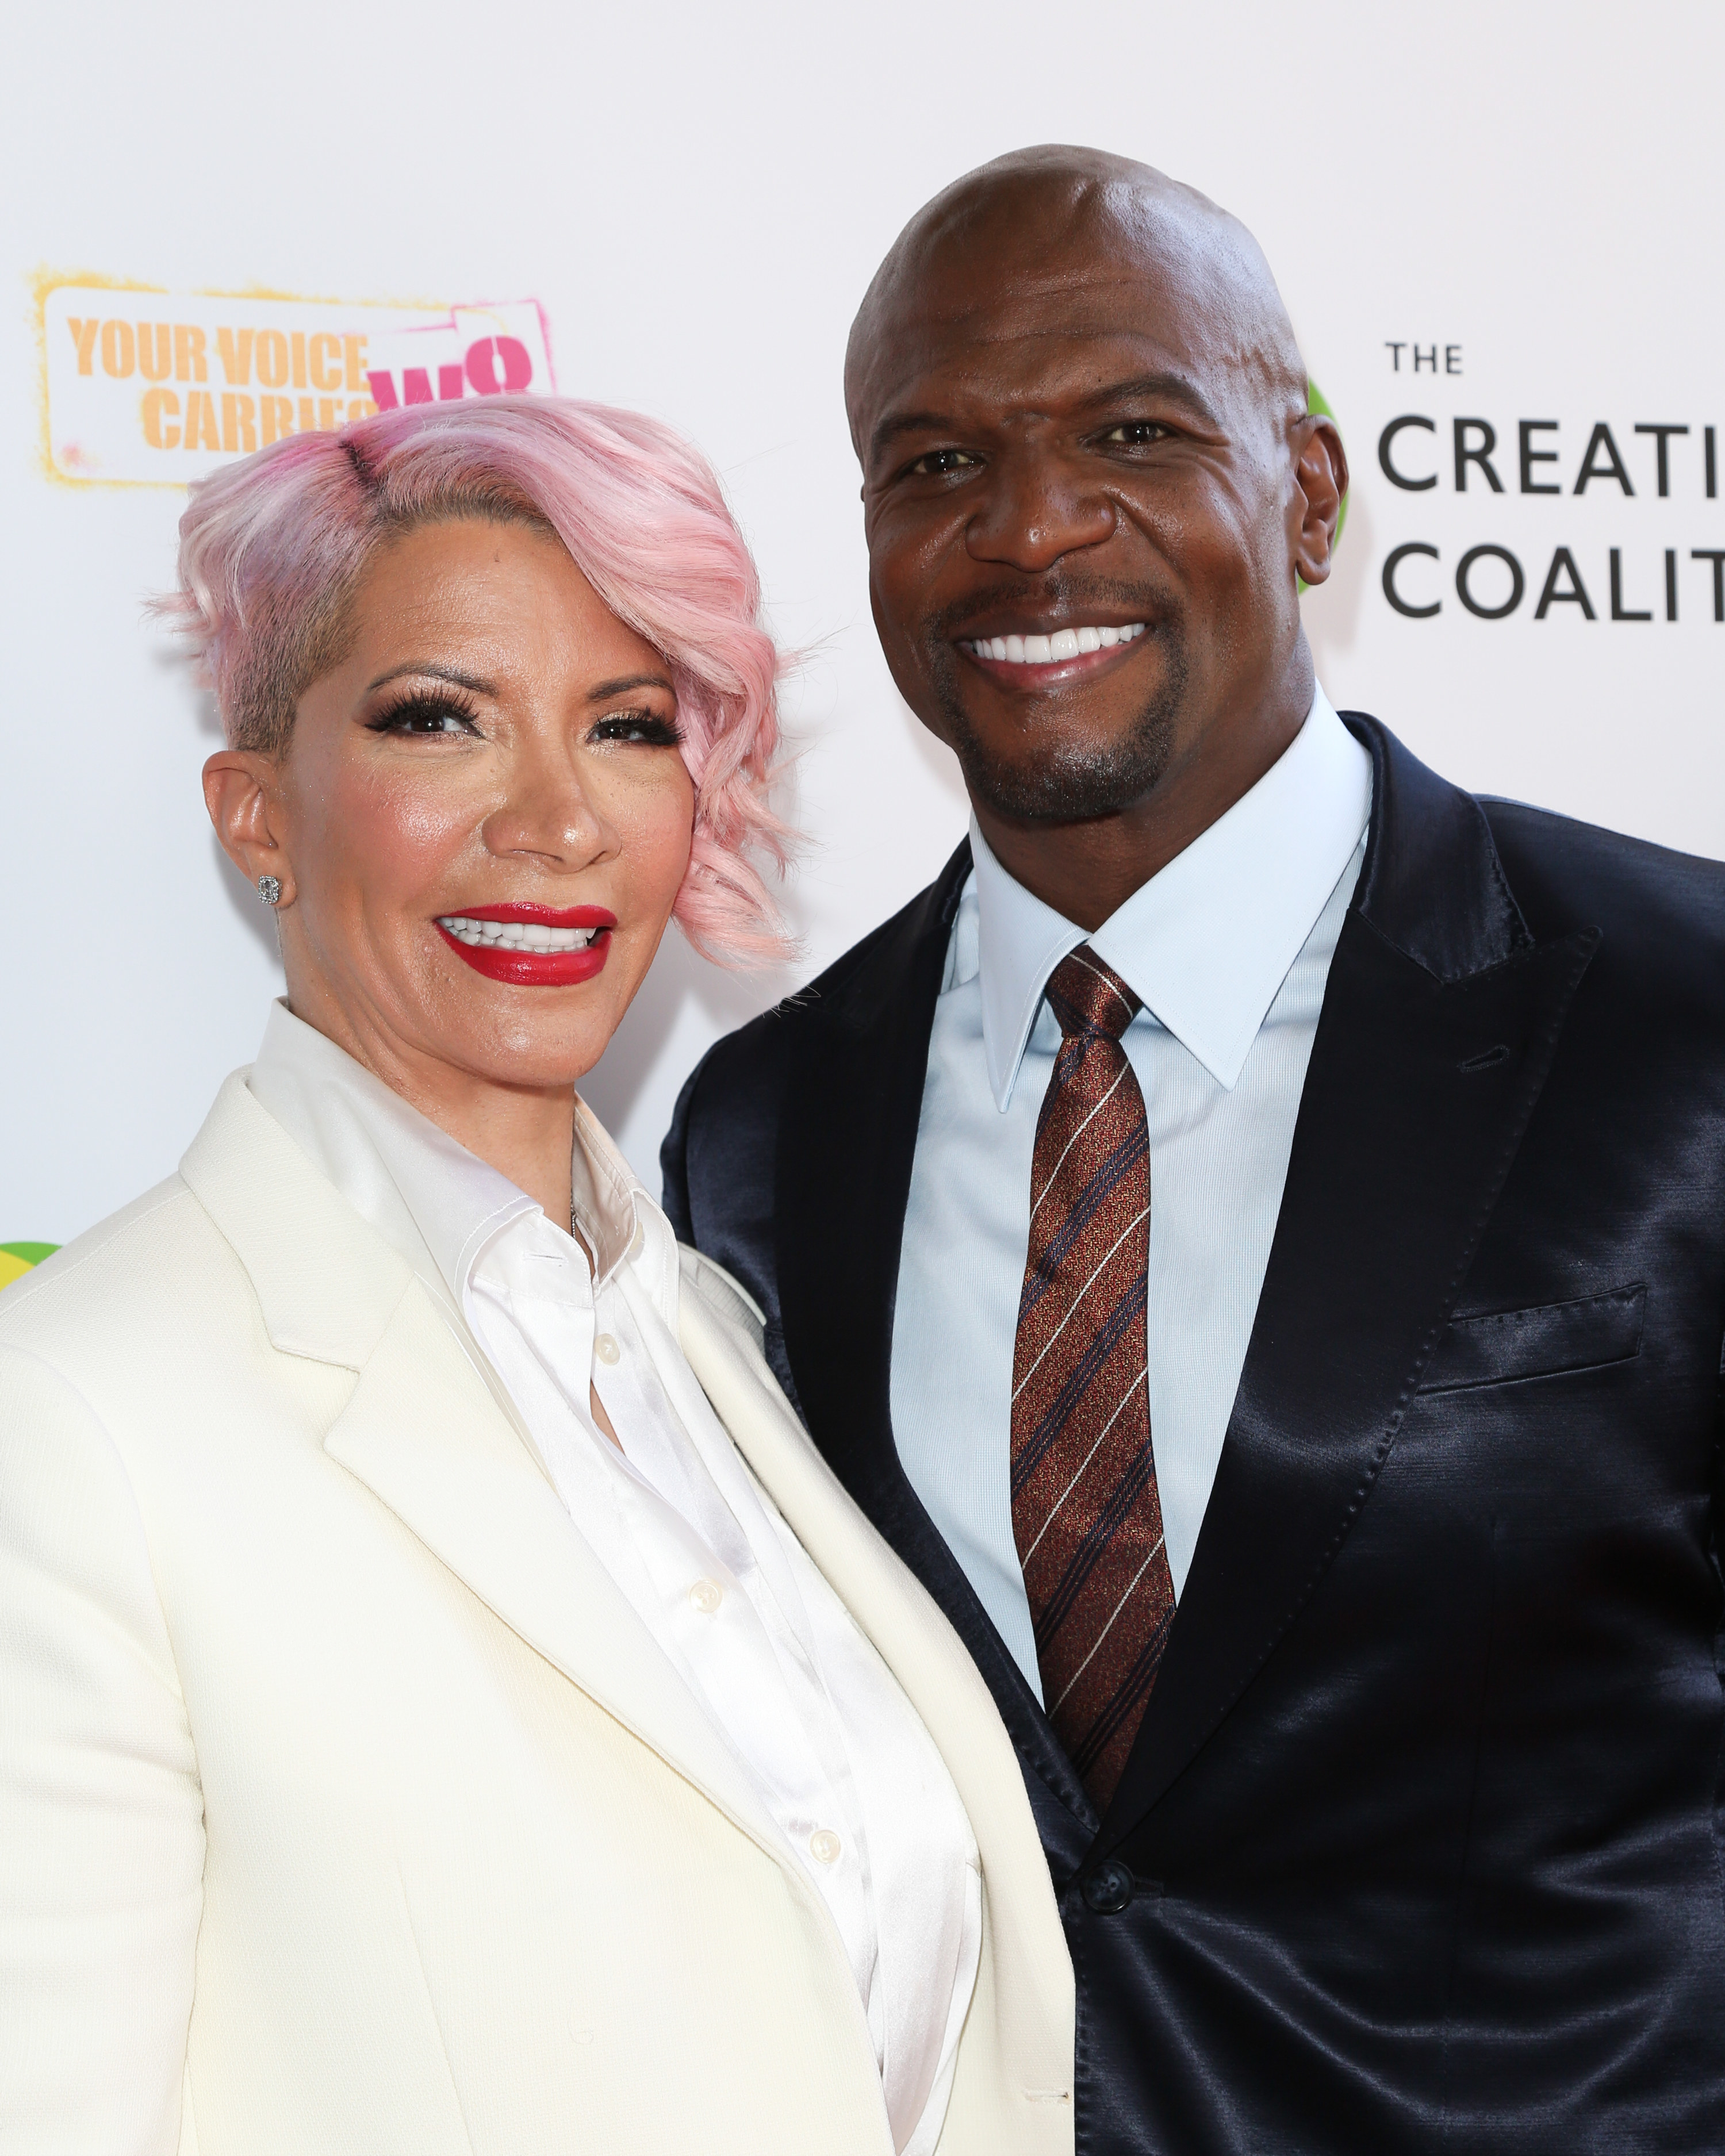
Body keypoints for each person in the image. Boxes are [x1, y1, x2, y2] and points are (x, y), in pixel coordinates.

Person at [663, 145, 1725, 2153]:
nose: (1032, 529)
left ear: (1309, 486)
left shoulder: (1680, 1013)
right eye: (937, 464)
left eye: (1131, 431)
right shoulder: (764, 1127)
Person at [0, 396, 1076, 2156]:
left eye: (629, 726)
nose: (559, 820)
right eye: (441, 720)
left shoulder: (714, 1340)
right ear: (257, 811)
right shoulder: (70, 1422)